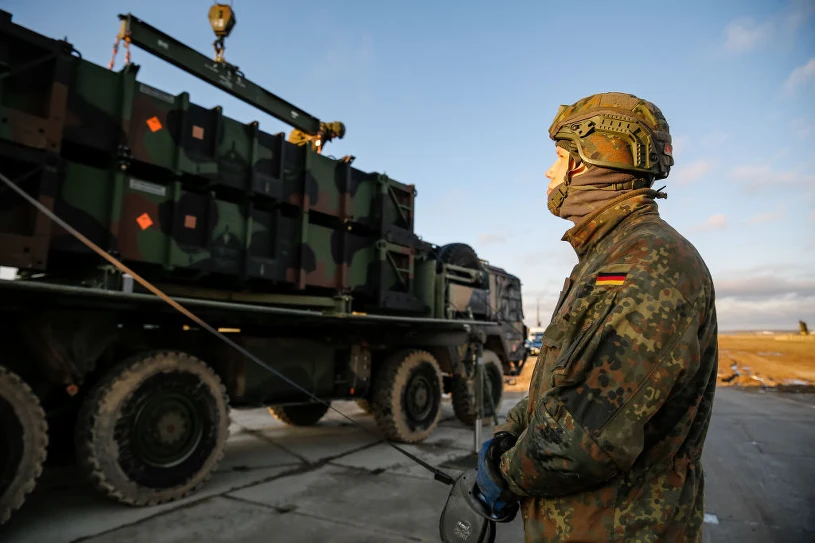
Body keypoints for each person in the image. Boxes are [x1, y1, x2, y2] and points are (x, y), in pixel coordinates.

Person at [471, 92, 719, 542]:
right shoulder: (609, 256)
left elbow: (580, 442)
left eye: (560, 156)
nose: (549, 171)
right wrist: (508, 435)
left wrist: (505, 473)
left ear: (590, 161)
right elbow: (564, 385)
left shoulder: (647, 262)